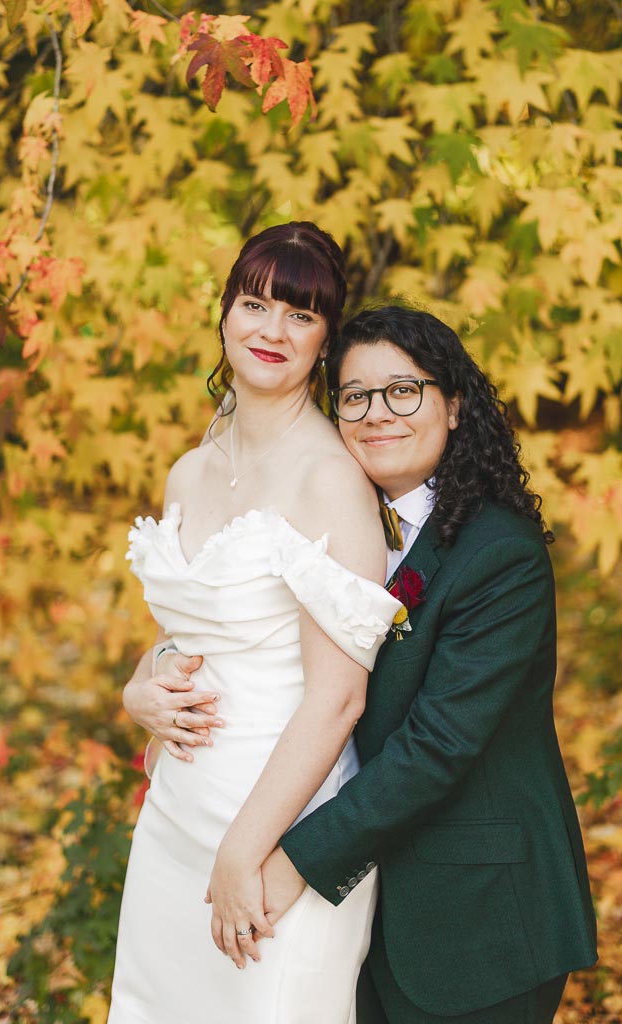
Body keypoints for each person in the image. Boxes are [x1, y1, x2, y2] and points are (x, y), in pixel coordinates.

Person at [130, 305, 597, 1024]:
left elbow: (435, 748)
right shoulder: (343, 523)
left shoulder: (497, 554)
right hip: (376, 917)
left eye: (403, 390)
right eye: (355, 396)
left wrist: (291, 863)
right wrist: (148, 678)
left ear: (454, 405)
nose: (378, 413)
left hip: (478, 917)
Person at [108, 223, 400, 1024]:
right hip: (175, 810)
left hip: (277, 827)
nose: (272, 330)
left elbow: (339, 699)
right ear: (226, 314)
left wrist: (247, 851)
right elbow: (190, 633)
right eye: (255, 303)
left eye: (300, 315)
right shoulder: (190, 469)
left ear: (325, 341)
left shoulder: (331, 481)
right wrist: (142, 687)